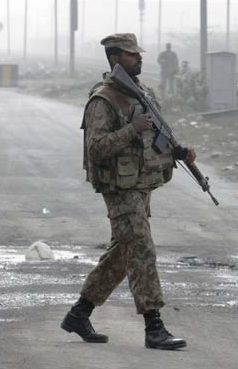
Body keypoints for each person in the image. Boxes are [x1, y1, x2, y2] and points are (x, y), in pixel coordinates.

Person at [61, 33, 195, 350]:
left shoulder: (141, 94)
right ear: (115, 59)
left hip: (140, 184)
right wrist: (131, 129)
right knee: (141, 249)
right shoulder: (103, 100)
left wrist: (178, 152)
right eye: (132, 55)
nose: (140, 59)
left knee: (122, 256)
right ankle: (154, 327)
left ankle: (79, 314)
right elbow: (96, 148)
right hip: (119, 189)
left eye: (138, 54)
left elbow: (155, 135)